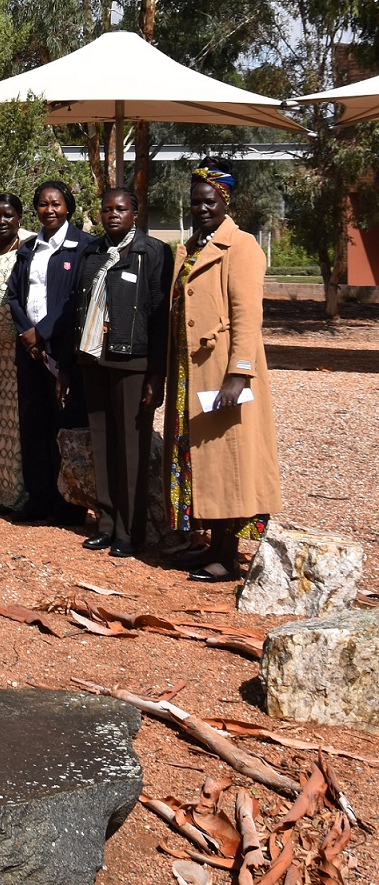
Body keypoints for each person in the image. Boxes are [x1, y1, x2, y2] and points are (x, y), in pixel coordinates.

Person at [164, 165, 281, 582]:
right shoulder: (191, 246)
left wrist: (240, 373)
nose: (201, 208)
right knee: (199, 459)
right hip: (189, 371)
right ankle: (210, 545)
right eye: (195, 202)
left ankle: (228, 556)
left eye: (208, 201)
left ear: (224, 201)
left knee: (228, 459)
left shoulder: (242, 246)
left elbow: (247, 315)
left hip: (223, 372)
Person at [57, 184, 172, 558]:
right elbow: (78, 304)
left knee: (131, 448)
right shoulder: (93, 251)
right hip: (94, 358)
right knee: (102, 445)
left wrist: (158, 373)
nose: (113, 215)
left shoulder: (153, 253)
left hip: (132, 360)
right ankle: (106, 523)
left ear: (135, 214)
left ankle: (129, 530)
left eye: (120, 209)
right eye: (107, 210)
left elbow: (160, 318)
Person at [5, 182, 94, 524]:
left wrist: (41, 333)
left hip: (62, 352)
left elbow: (73, 300)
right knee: (33, 424)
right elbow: (13, 294)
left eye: (55, 204)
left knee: (65, 424)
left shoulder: (83, 247)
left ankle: (68, 504)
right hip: (28, 352)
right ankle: (38, 497)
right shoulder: (29, 248)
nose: (49, 210)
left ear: (68, 207)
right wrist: (27, 333)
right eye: (42, 205)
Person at [0, 193, 29, 514]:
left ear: (19, 218)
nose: (2, 221)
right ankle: (5, 491)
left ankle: (24, 496)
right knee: (5, 419)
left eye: (8, 215)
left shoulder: (29, 248)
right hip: (0, 351)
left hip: (25, 348)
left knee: (23, 420)